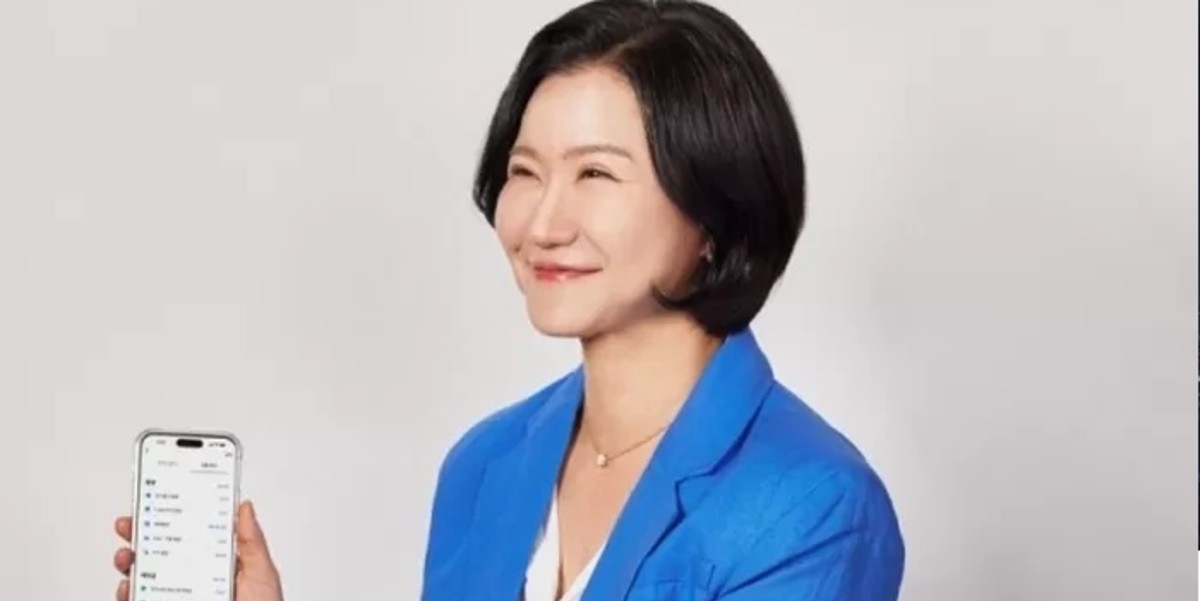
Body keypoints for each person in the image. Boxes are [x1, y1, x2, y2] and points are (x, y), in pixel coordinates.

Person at [111, 0, 905, 599]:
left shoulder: (812, 505)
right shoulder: (483, 463)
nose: (542, 222)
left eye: (595, 173)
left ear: (713, 212)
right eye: (525, 171)